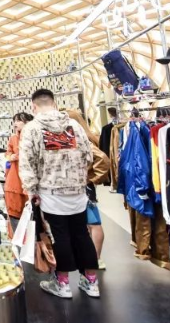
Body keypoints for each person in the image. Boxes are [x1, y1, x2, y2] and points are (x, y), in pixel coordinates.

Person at [19, 89, 99, 300]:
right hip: (77, 191)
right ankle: (91, 282)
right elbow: (89, 155)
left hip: (50, 193)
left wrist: (31, 190)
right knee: (82, 234)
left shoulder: (32, 128)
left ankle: (62, 284)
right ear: (54, 103)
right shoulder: (74, 125)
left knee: (59, 236)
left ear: (33, 106)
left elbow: (27, 163)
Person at [66, 109, 110, 271]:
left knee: (93, 222)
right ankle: (92, 258)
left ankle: (96, 259)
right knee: (88, 223)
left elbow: (103, 160)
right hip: (80, 186)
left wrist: (91, 179)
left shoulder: (82, 140)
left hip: (83, 187)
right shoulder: (78, 138)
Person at [4, 113, 32, 224]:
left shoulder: (32, 137)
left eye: (19, 121)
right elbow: (7, 153)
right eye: (14, 121)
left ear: (28, 123)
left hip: (29, 178)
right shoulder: (13, 138)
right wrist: (11, 157)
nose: (15, 123)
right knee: (15, 212)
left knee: (31, 213)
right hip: (15, 177)